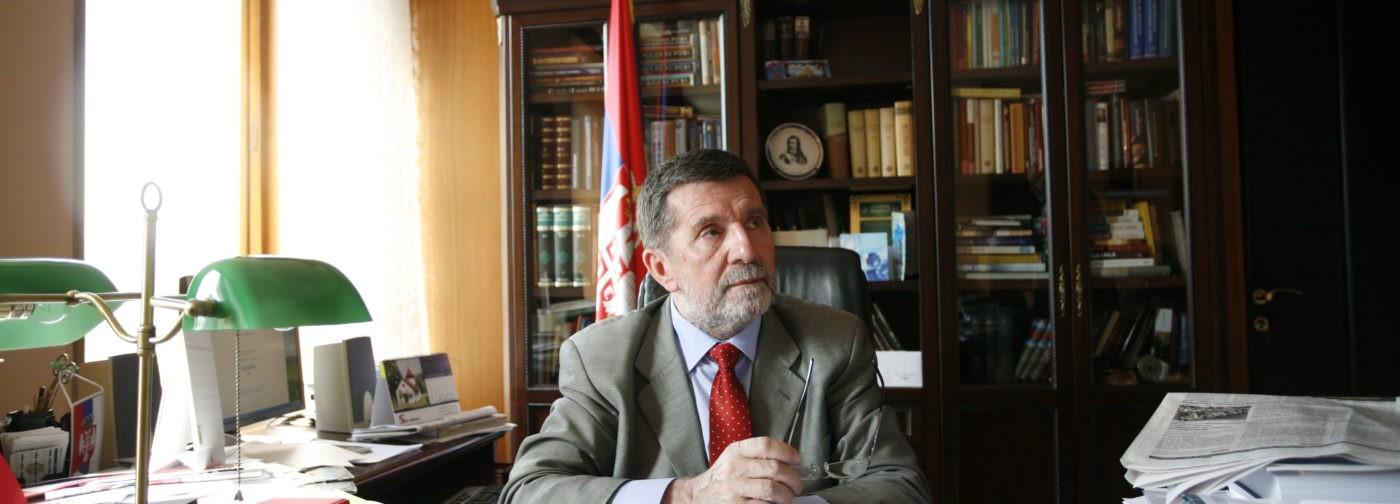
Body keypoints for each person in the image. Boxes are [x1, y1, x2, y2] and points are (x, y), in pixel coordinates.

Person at [503, 149, 929, 503]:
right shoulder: (601, 357)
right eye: (711, 232)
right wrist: (687, 495)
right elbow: (530, 490)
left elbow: (900, 484)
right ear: (662, 268)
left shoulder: (835, 342)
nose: (747, 249)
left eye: (755, 222)